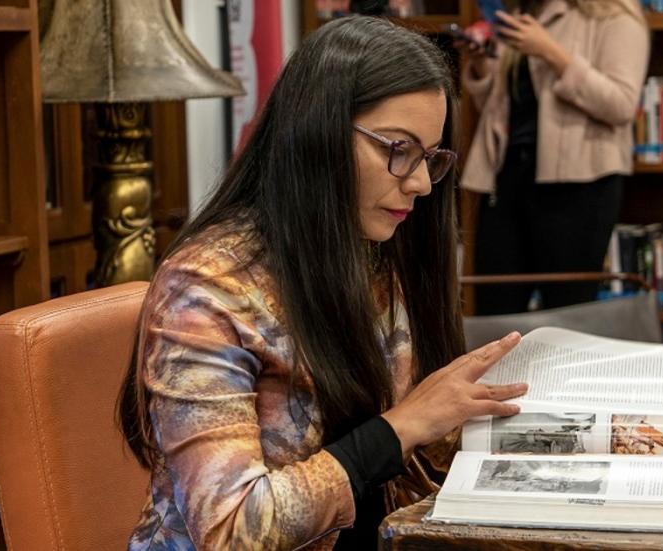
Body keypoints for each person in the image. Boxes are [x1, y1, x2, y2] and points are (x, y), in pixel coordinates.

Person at [117, 16, 529, 550]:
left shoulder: (371, 251)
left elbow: (423, 449)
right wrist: (400, 428)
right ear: (319, 134)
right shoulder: (207, 289)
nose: (423, 182)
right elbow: (230, 529)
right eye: (398, 149)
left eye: (429, 157)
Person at [460, 0, 650, 314]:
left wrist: (552, 52)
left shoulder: (617, 16)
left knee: (568, 313)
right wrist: (481, 63)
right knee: (496, 309)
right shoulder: (525, 14)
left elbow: (621, 105)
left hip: (579, 187)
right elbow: (505, 108)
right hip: (507, 178)